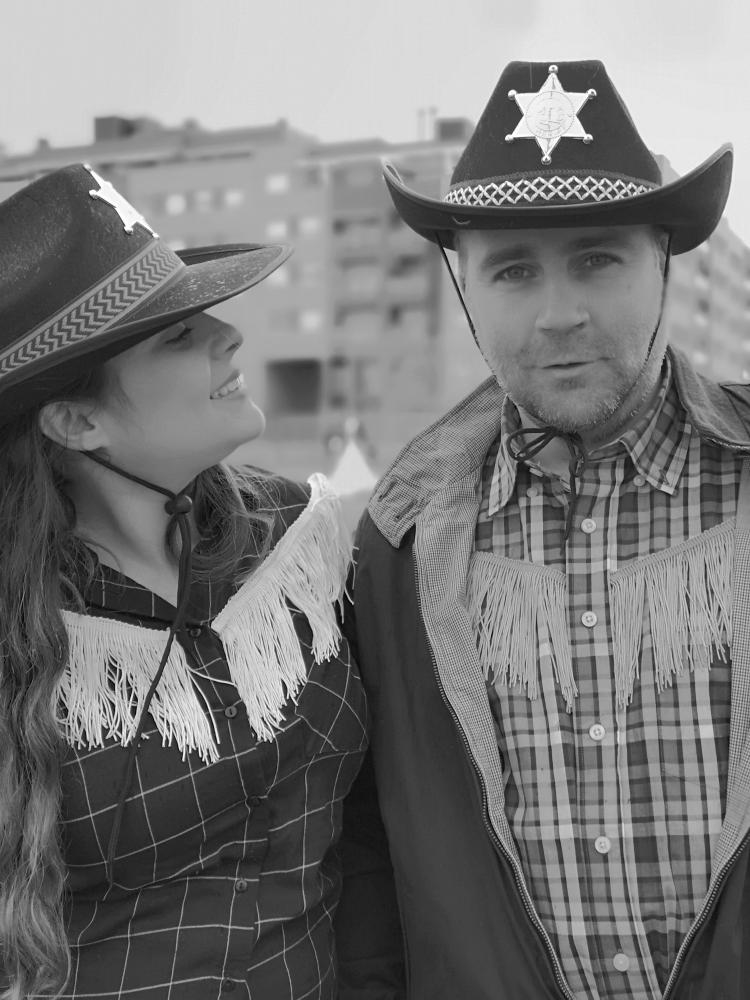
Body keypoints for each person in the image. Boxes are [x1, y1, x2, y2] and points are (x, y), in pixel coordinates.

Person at [336, 60, 750, 999]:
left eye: (597, 259)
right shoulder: (398, 545)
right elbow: (369, 858)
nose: (559, 314)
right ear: (465, 288)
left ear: (663, 262)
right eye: (514, 271)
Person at [0, 164, 367, 1000]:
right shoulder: (20, 623)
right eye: (176, 337)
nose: (228, 336)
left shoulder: (297, 543)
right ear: (76, 421)